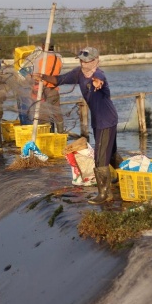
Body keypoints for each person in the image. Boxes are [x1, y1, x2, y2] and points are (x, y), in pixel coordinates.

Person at [38, 47, 122, 204]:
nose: (83, 63)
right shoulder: (78, 73)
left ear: (96, 61)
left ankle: (105, 194)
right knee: (110, 154)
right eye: (81, 60)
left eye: (87, 60)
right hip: (99, 120)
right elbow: (59, 79)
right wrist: (42, 77)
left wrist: (98, 83)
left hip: (107, 120)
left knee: (100, 157)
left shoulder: (98, 74)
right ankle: (124, 176)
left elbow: (100, 79)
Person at [32, 39, 64, 133]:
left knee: (44, 116)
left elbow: (36, 75)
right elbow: (59, 72)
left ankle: (49, 136)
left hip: (43, 90)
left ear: (43, 46)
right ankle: (61, 134)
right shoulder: (58, 59)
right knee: (57, 113)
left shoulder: (40, 59)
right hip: (54, 90)